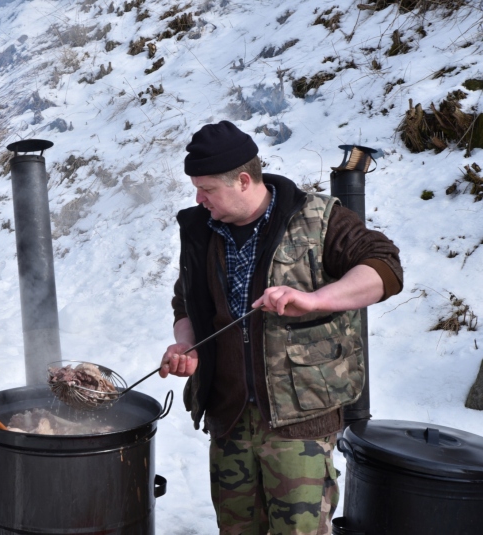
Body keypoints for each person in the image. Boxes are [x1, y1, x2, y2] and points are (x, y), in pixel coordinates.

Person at [159, 121, 403, 535]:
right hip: (229, 417)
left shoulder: (318, 219)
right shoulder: (201, 231)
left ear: (241, 180)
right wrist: (187, 345)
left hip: (299, 422)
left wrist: (315, 299)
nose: (199, 200)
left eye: (207, 190)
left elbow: (384, 268)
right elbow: (187, 304)